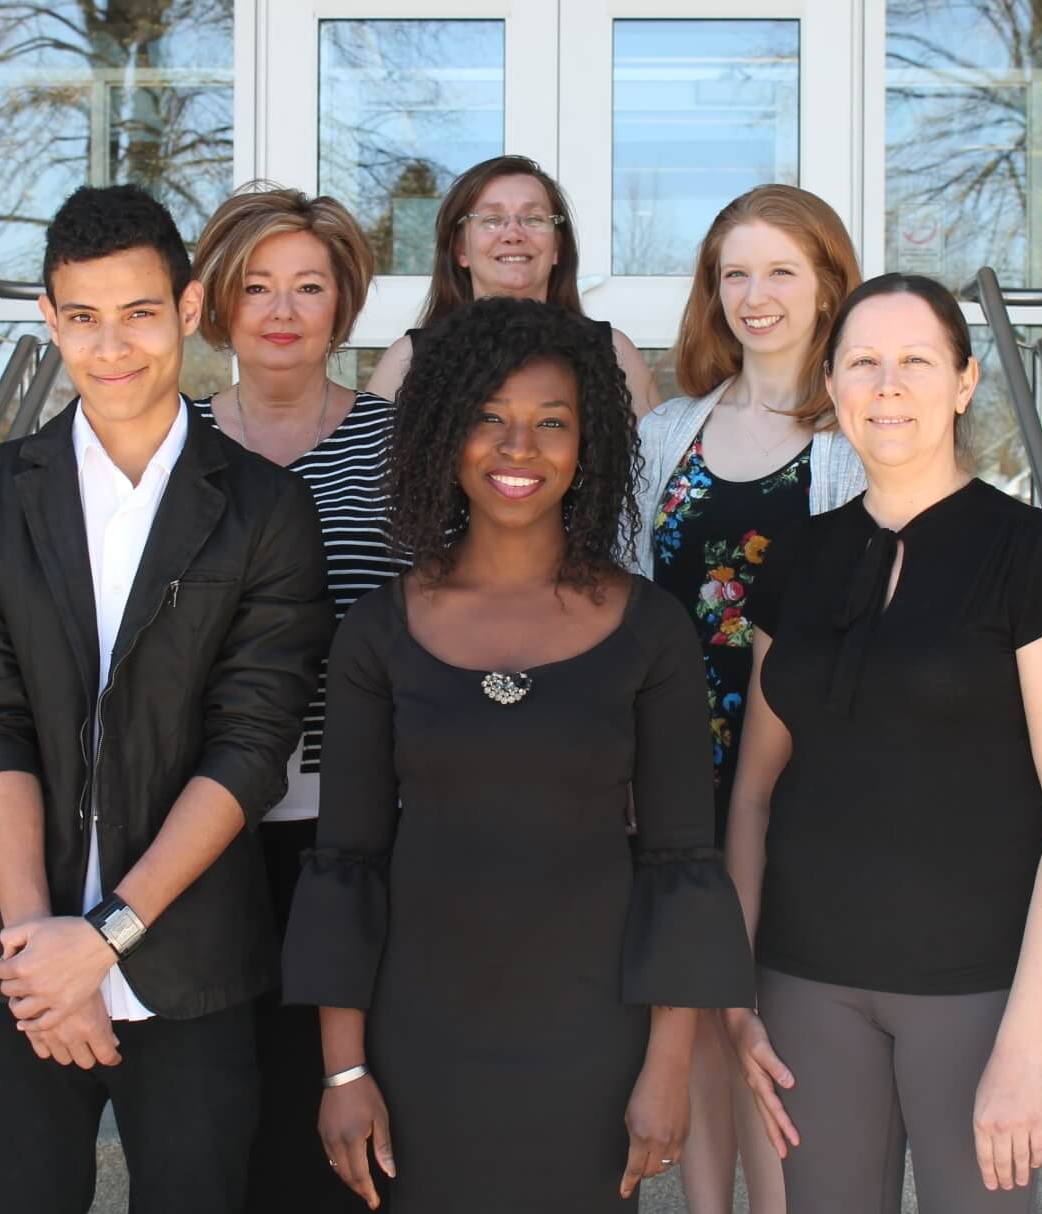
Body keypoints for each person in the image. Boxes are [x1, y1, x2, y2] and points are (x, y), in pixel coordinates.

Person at [283, 297, 755, 1212]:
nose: (518, 448)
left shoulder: (650, 628)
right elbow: (346, 860)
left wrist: (665, 1070)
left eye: (551, 423)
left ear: (589, 447)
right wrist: (344, 1074)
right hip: (417, 1033)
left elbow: (679, 863)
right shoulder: (380, 629)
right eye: (488, 420)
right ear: (442, 435)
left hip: (592, 1036)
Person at [0, 183, 333, 1214]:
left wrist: (102, 935)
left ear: (189, 310)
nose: (113, 346)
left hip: (190, 966)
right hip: (17, 967)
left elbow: (251, 747)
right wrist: (37, 950)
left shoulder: (263, 507)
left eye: (140, 312)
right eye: (83, 317)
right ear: (49, 320)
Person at [722, 273, 1042, 1213]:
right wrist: (735, 993)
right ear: (834, 382)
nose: (887, 385)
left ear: (966, 381)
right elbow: (752, 793)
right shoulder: (801, 555)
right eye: (863, 362)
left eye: (915, 361)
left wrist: (1026, 1047)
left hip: (975, 992)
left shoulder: (1035, 555)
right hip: (805, 981)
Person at [630, 184, 866, 1213]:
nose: (754, 294)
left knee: (773, 1031)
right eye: (734, 272)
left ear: (826, 285)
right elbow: (619, 599)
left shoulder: (859, 434)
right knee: (700, 1010)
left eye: (779, 270)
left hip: (796, 782)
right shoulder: (665, 432)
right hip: (675, 771)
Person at [186, 181, 404, 1213]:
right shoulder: (165, 442)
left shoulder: (399, 443)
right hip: (194, 823)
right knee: (216, 1117)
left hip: (348, 820)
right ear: (218, 302)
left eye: (307, 286)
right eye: (257, 286)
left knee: (337, 1113)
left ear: (342, 303)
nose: (280, 309)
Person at [364, 154, 660, 416]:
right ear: (461, 251)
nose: (513, 234)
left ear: (557, 247)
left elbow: (657, 471)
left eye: (533, 218)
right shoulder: (409, 361)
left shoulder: (614, 353)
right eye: (492, 219)